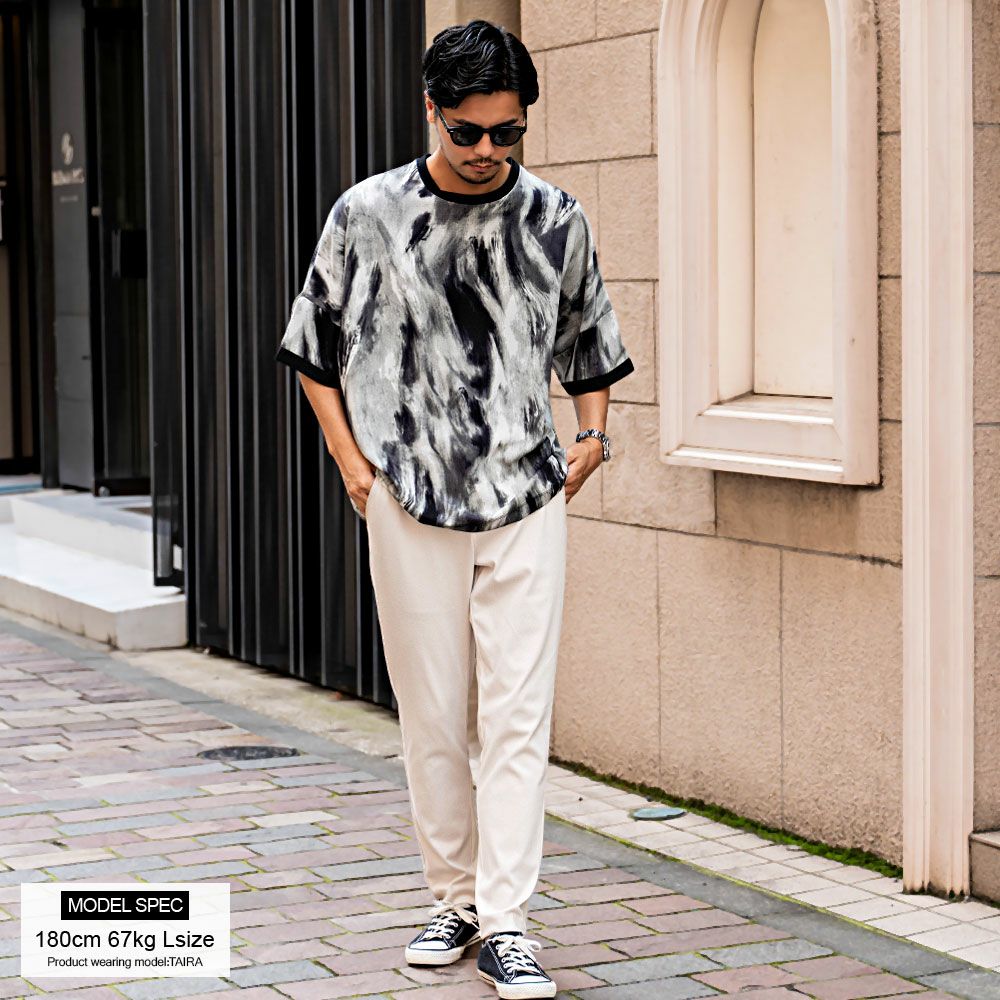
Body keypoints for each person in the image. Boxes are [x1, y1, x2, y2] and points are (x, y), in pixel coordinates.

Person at [274, 18, 634, 999]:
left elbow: (589, 339)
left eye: (507, 133)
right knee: (433, 714)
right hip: (409, 498)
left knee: (517, 715)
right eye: (467, 131)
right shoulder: (368, 213)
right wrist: (352, 464)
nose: (486, 151)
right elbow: (313, 346)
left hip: (525, 497)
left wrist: (594, 437)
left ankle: (508, 920)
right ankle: (456, 898)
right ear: (431, 110)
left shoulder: (555, 218)